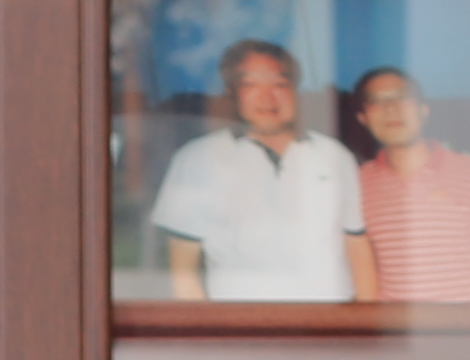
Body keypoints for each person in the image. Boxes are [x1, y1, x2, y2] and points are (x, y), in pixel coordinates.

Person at [141, 41, 365, 305]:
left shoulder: (334, 155)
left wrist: (365, 319)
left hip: (331, 317)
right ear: (231, 92)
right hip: (240, 320)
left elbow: (357, 244)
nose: (267, 97)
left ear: (295, 91)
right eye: (252, 85)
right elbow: (183, 270)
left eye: (279, 84)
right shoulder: (197, 158)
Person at [342, 67, 470, 305]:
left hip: (469, 325)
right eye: (377, 102)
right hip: (398, 326)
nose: (391, 109)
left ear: (424, 110)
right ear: (363, 118)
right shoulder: (360, 182)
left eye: (402, 98)